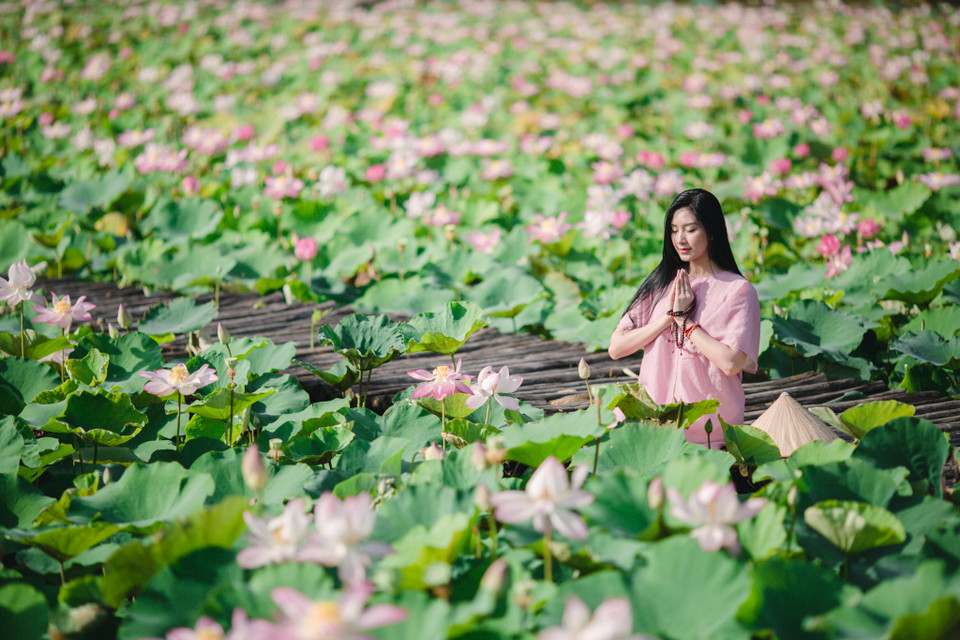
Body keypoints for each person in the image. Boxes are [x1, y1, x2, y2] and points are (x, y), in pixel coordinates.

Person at [608, 189, 761, 448]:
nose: (681, 239)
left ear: (712, 232)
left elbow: (731, 362)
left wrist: (686, 323)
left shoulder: (738, 290)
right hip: (652, 423)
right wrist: (669, 318)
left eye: (690, 229)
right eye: (674, 230)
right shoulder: (661, 284)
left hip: (709, 431)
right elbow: (616, 348)